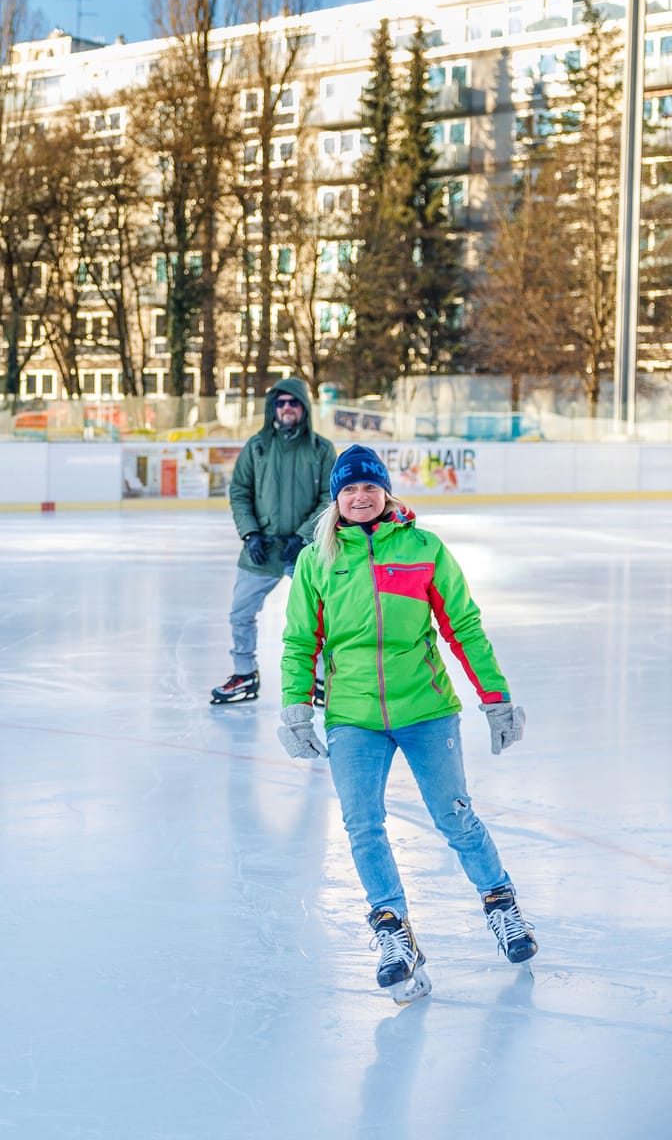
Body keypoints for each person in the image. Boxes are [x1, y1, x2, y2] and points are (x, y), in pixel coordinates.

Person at [278, 445, 535, 1004]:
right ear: (336, 499)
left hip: (426, 709)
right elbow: (301, 641)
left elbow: (462, 625)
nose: (360, 496)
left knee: (455, 816)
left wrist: (496, 698)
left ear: (386, 492)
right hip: (352, 716)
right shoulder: (317, 560)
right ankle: (393, 930)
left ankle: (502, 906)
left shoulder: (424, 549)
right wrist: (296, 706)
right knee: (362, 824)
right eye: (349, 489)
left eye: (370, 487)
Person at [211, 378, 335, 705]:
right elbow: (239, 492)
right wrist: (250, 533)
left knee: (318, 616)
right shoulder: (257, 447)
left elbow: (330, 498)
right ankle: (244, 675)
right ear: (273, 409)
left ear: (304, 407)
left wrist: (304, 535)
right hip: (261, 549)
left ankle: (323, 680)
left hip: (305, 550)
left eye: (293, 402)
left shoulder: (322, 449)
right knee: (240, 613)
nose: (286, 408)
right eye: (280, 403)